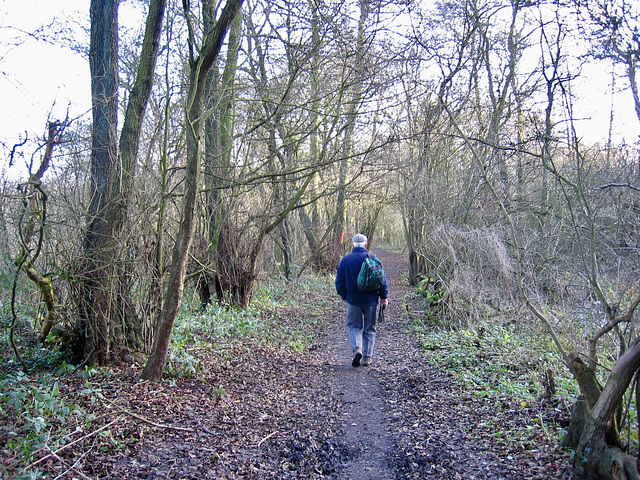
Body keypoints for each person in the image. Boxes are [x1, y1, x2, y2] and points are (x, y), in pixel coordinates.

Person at [335, 233, 389, 367]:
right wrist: (384, 297)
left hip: (353, 301)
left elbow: (339, 282)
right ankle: (367, 358)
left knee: (354, 326)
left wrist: (345, 296)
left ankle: (357, 348)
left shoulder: (345, 260)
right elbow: (382, 279)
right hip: (371, 301)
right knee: (370, 329)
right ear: (366, 244)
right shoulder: (373, 258)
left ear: (353, 245)